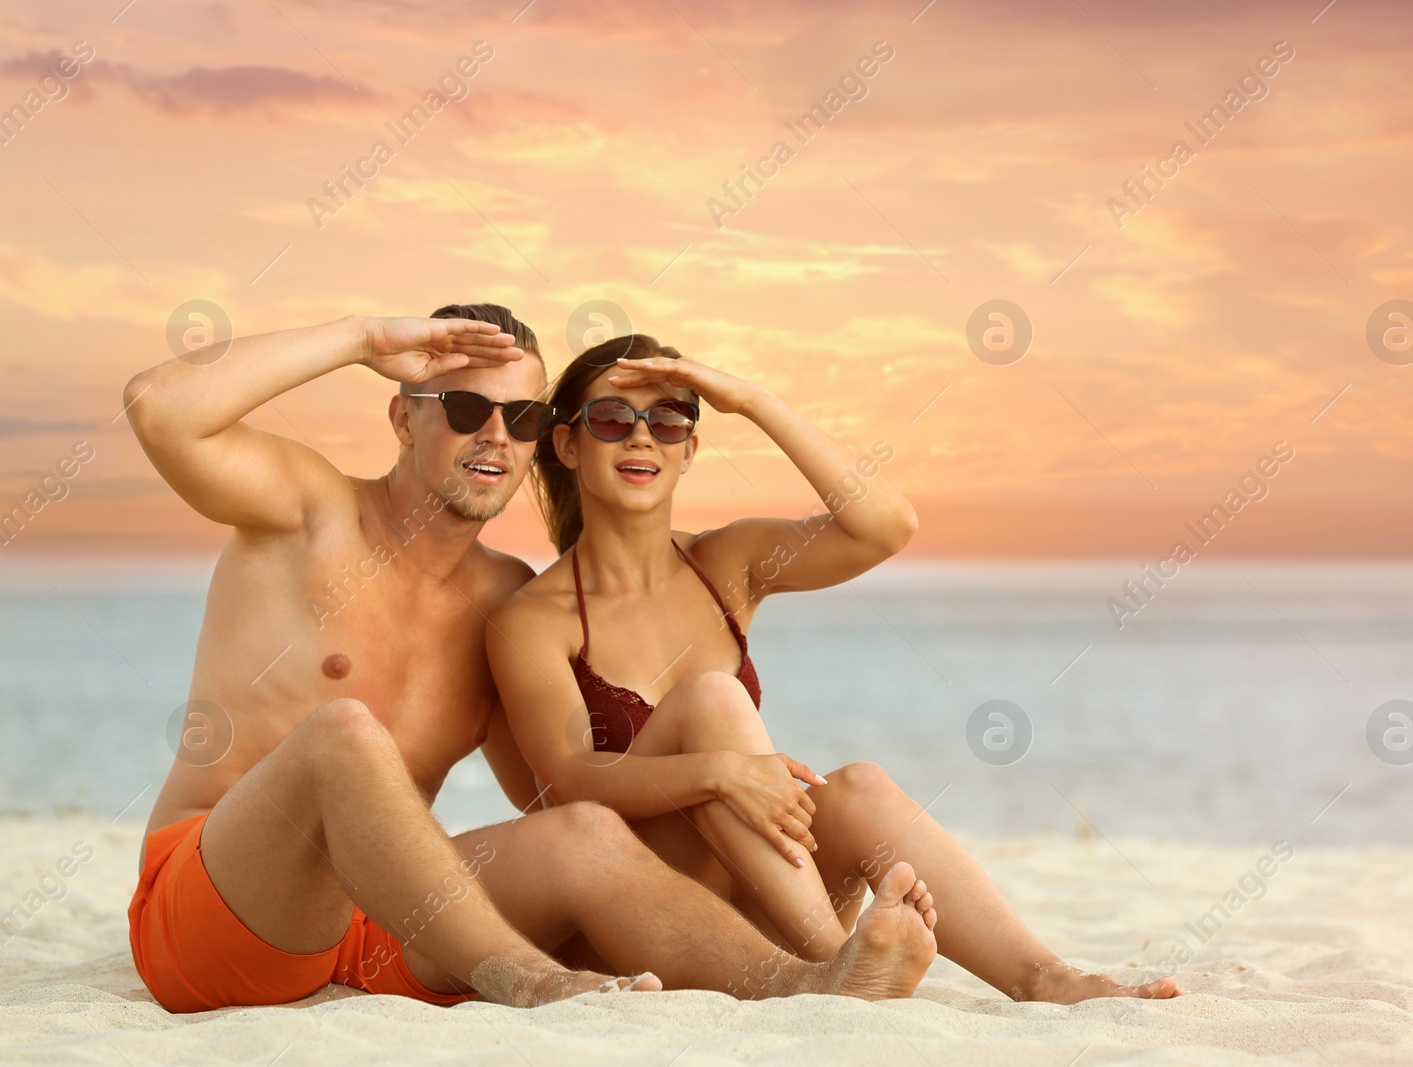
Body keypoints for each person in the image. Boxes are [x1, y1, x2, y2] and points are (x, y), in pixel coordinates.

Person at [121, 305, 937, 1013]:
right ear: (405, 418)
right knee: (345, 734)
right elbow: (158, 406)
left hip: (377, 927)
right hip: (214, 910)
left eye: (521, 418)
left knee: (580, 834)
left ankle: (802, 983)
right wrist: (361, 337)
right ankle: (527, 979)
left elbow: (565, 800)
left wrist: (721, 793)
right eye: (468, 406)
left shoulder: (501, 599)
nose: (495, 436)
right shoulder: (306, 508)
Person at [487, 335, 1185, 1004]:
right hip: (645, 918)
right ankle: (838, 965)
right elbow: (567, 779)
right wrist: (719, 770)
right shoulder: (532, 617)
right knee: (711, 701)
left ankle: (1044, 978)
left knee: (860, 788)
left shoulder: (727, 564)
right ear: (568, 443)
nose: (642, 436)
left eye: (669, 419)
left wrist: (751, 401)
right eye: (612, 418)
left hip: (764, 913)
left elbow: (884, 525)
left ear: (691, 447)